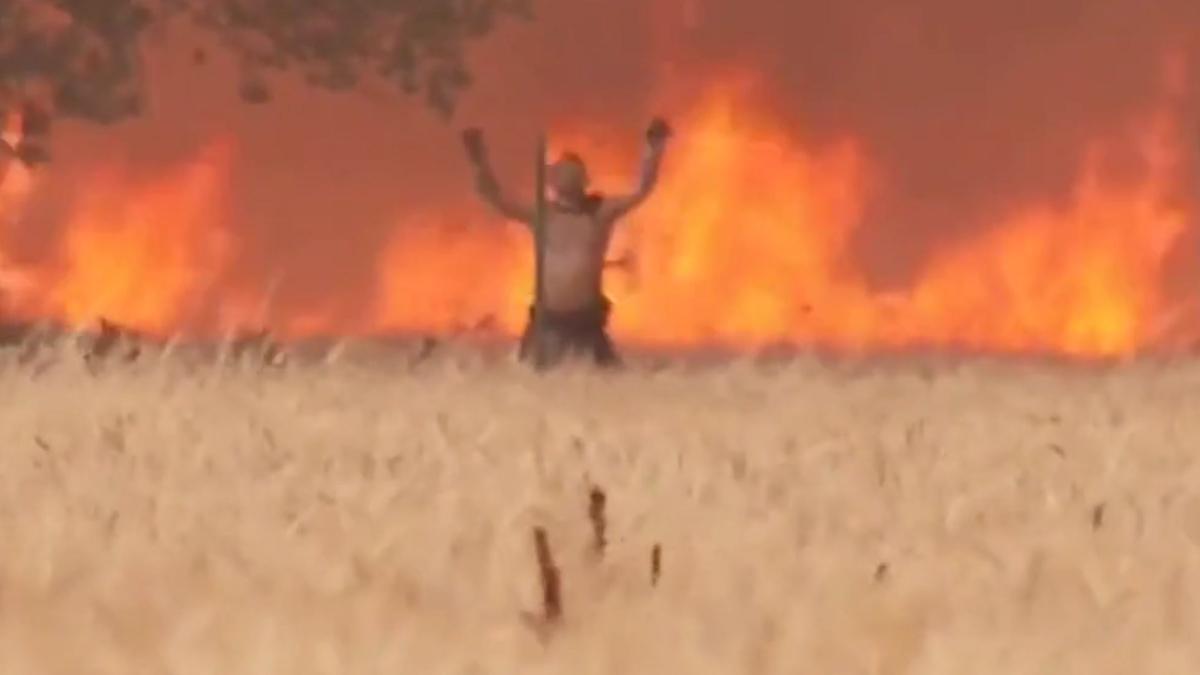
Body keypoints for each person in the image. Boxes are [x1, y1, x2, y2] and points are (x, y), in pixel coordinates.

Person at [463, 118, 671, 369]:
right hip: (547, 322)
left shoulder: (600, 213)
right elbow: (496, 199)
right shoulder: (542, 214)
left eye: (574, 171)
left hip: (586, 323)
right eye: (562, 172)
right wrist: (479, 161)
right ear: (552, 183)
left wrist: (653, 149)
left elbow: (641, 190)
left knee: (604, 384)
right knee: (533, 381)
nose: (568, 177)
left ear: (585, 180)